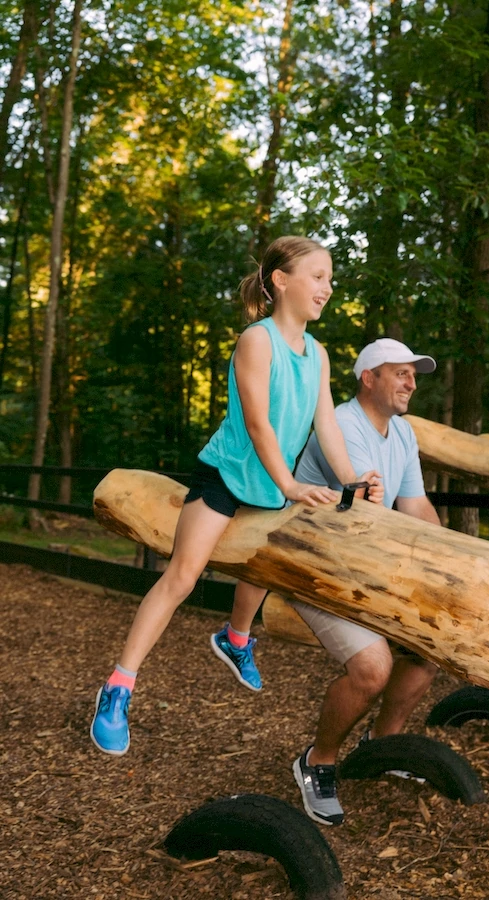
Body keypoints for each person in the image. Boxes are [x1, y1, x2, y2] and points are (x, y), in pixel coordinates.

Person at [90, 235, 382, 756]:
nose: (328, 288)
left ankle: (236, 637)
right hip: (226, 476)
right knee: (181, 577)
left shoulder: (317, 355)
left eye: (331, 279)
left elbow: (326, 429)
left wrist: (352, 479)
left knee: (260, 568)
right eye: (318, 276)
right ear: (281, 280)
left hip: (272, 487)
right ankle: (117, 688)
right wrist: (291, 484)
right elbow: (258, 423)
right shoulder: (257, 340)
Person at [289, 337, 441, 826]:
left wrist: (448, 566)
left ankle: (381, 748)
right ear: (369, 378)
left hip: (367, 568)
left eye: (414, 375)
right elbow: (368, 519)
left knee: (428, 648)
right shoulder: (343, 425)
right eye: (401, 373)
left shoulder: (402, 432)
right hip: (314, 566)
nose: (411, 383)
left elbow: (416, 508)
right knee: (373, 669)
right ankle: (318, 762)